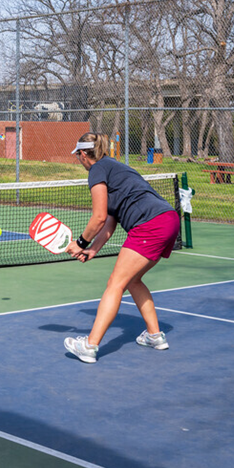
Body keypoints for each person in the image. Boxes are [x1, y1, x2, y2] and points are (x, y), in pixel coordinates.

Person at [63, 132, 181, 363]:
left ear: (84, 154)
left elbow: (97, 217)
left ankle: (89, 346)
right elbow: (109, 221)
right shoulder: (115, 167)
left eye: (78, 155)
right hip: (168, 220)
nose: (78, 159)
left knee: (114, 284)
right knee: (132, 280)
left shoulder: (97, 170)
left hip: (149, 224)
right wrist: (93, 249)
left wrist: (79, 243)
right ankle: (155, 336)